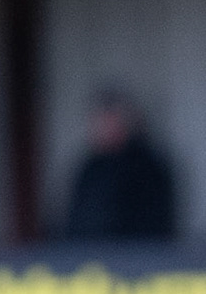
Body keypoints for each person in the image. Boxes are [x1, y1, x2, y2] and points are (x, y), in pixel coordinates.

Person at [66, 89, 178, 241]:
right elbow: (76, 218)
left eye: (109, 121)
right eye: (98, 122)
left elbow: (155, 224)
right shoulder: (90, 167)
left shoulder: (148, 168)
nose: (102, 129)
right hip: (88, 253)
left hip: (133, 255)